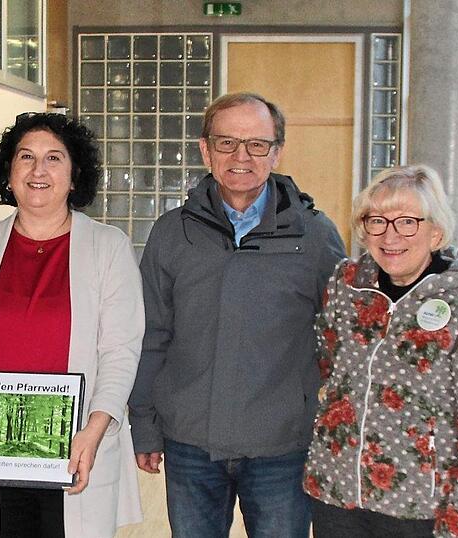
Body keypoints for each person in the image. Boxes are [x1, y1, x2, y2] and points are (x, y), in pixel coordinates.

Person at [128, 92, 346, 537]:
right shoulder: (173, 233)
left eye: (257, 144)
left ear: (277, 151)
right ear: (205, 149)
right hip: (190, 444)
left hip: (282, 448)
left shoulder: (315, 235)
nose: (241, 156)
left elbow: (340, 339)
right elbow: (151, 335)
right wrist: (145, 426)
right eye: (227, 142)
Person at [0, 112, 144, 538]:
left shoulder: (108, 247)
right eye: (25, 157)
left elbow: (120, 351)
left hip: (75, 447)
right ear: (9, 174)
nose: (38, 170)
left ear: (75, 177)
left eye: (54, 158)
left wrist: (93, 433)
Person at [303, 165, 458, 538]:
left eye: (406, 222)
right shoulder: (345, 288)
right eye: (377, 221)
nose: (390, 235)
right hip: (336, 498)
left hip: (418, 512)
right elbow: (327, 363)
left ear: (435, 232)